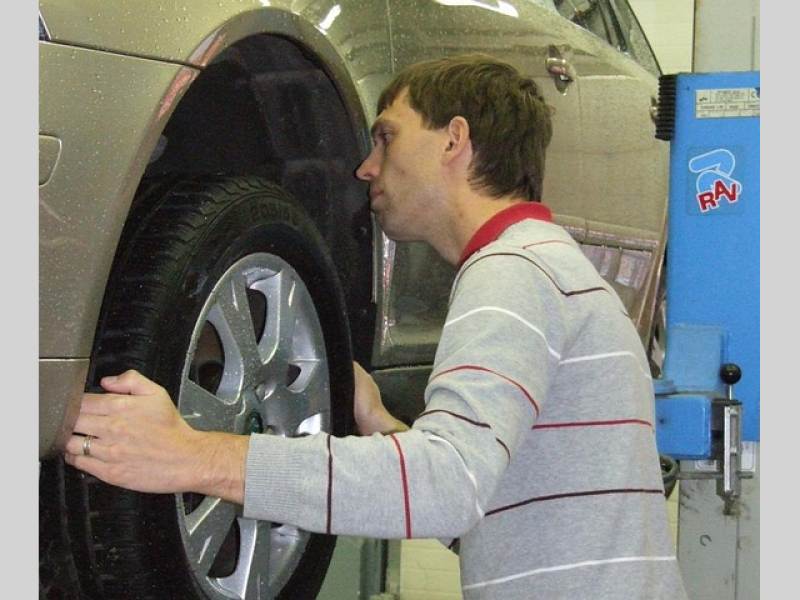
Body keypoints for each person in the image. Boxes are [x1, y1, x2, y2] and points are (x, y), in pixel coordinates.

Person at [64, 54, 687, 599]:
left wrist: (194, 456)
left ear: (454, 140)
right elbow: (499, 514)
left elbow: (448, 487)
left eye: (387, 137)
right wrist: (379, 421)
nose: (366, 167)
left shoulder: (512, 273)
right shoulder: (551, 266)